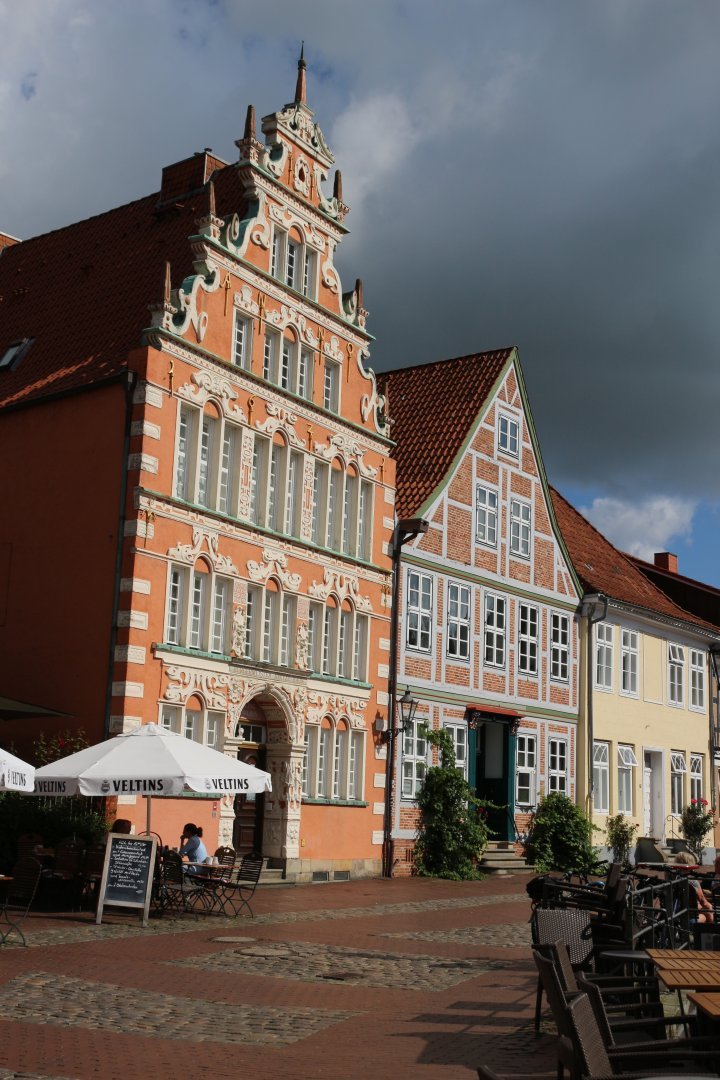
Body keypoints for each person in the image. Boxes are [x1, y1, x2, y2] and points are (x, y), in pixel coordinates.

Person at [675, 850, 714, 923]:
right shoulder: (692, 881)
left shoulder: (673, 879)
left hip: (674, 914)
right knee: (708, 912)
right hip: (688, 918)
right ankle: (713, 928)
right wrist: (710, 906)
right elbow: (703, 902)